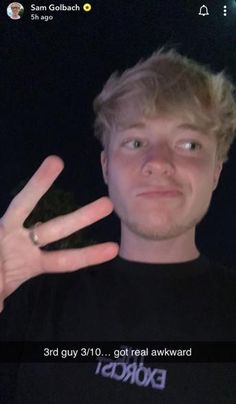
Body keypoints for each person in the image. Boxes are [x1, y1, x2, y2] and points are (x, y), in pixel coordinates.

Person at [0, 48, 236, 403]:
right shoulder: (34, 297)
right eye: (136, 142)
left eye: (189, 144)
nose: (158, 162)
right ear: (106, 166)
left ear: (216, 171)